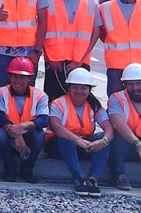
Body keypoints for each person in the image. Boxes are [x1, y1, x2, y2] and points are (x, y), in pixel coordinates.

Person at [45, 68, 113, 197]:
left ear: (89, 89)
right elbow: (56, 127)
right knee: (66, 138)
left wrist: (102, 141)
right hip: (59, 146)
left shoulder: (94, 105)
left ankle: (93, 179)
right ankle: (78, 177)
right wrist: (77, 140)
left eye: (83, 88)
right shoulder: (59, 103)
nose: (79, 92)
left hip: (84, 146)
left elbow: (109, 129)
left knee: (103, 138)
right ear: (68, 88)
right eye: (75, 87)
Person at [43, 0, 101, 101]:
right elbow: (41, 31)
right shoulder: (49, 2)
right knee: (54, 100)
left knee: (79, 101)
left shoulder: (91, 4)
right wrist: (49, 58)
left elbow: (96, 32)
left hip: (80, 62)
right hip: (55, 64)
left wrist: (80, 60)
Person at [107, 63, 141, 192]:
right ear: (124, 85)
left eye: (139, 83)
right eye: (130, 84)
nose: (135, 88)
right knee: (118, 136)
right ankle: (118, 175)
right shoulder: (117, 98)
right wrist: (139, 145)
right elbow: (118, 124)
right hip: (124, 147)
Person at [0, 57, 49, 183]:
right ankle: (10, 168)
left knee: (40, 136)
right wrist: (15, 133)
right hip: (8, 132)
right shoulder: (0, 92)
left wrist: (22, 127)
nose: (18, 81)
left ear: (30, 79)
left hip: (28, 132)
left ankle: (27, 169)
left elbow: (44, 119)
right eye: (15, 76)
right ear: (9, 76)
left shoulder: (40, 95)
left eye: (22, 77)